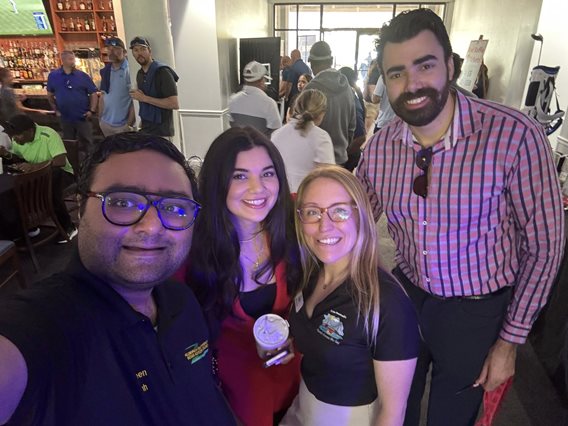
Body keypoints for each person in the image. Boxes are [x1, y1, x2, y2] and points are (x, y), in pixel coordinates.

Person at [356, 8, 565, 425]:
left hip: (477, 311)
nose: (411, 84)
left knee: (452, 416)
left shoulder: (514, 137)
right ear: (384, 80)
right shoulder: (380, 148)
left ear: (450, 67)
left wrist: (510, 341)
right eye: (396, 73)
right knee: (395, 405)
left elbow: (545, 245)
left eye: (425, 65)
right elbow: (352, 221)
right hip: (409, 294)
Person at [0, 132, 237, 426]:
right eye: (123, 203)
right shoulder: (48, 326)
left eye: (174, 208)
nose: (151, 226)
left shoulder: (182, 300)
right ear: (80, 209)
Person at [281, 165, 419, 426]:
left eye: (340, 211)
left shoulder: (387, 304)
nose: (324, 226)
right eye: (312, 212)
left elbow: (392, 413)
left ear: (361, 216)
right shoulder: (310, 275)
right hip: (303, 404)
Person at [187, 127, 301, 426]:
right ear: (218, 182)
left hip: (295, 393)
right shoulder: (191, 250)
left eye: (267, 173)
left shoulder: (294, 232)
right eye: (240, 176)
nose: (257, 188)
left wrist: (298, 337)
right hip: (231, 403)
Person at [0, 114, 77, 242]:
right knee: (10, 193)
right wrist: (6, 154)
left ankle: (68, 226)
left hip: (62, 174)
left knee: (49, 188)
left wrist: (33, 166)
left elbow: (60, 161)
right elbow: (19, 159)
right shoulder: (18, 140)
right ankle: (23, 228)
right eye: (13, 136)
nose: (14, 139)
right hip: (35, 175)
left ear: (30, 131)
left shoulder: (48, 134)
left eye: (18, 135)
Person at [272, 88, 334, 192]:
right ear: (322, 114)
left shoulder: (277, 134)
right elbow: (328, 177)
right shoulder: (321, 137)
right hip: (308, 195)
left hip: (280, 194)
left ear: (295, 107)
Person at [305, 41, 356, 167]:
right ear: (331, 61)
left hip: (316, 161)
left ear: (311, 64)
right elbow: (352, 126)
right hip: (340, 160)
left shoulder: (310, 89)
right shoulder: (347, 87)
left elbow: (303, 127)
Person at [129, 36, 179, 138]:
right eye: (136, 50)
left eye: (143, 49)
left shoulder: (163, 72)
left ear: (149, 51)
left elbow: (174, 104)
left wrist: (144, 98)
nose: (139, 53)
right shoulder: (140, 74)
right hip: (146, 129)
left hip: (162, 132)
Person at [46, 51, 98, 146]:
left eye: (73, 59)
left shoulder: (82, 75)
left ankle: (89, 156)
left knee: (88, 142)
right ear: (63, 60)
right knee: (69, 143)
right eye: (70, 59)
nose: (73, 61)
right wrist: (56, 110)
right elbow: (50, 95)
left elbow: (93, 93)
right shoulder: (53, 76)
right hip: (65, 117)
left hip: (83, 116)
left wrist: (92, 110)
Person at [228, 61, 282, 137]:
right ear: (261, 81)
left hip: (238, 143)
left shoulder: (232, 100)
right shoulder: (269, 104)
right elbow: (276, 131)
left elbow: (232, 124)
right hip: (260, 143)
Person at [98, 37, 135, 136]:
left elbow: (135, 100)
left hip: (122, 126)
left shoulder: (129, 71)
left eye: (115, 49)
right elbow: (103, 95)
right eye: (109, 49)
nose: (111, 52)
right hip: (106, 123)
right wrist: (100, 119)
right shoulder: (106, 71)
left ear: (124, 52)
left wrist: (128, 125)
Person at [339, 66, 367, 171]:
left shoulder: (352, 102)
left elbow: (361, 137)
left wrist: (344, 154)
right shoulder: (349, 98)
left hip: (348, 157)